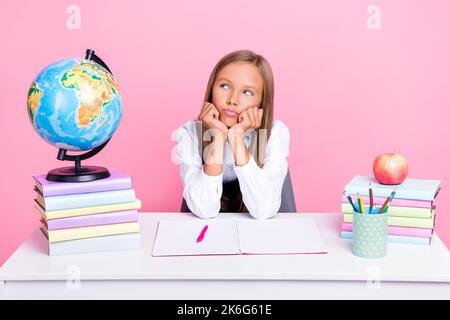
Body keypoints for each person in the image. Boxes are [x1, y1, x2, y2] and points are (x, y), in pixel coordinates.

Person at [174, 49, 290, 219]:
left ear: (261, 101)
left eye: (247, 92)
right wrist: (218, 137)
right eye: (225, 86)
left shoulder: (276, 133)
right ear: (212, 89)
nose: (233, 99)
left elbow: (263, 210)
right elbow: (203, 210)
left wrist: (237, 139)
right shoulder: (188, 133)